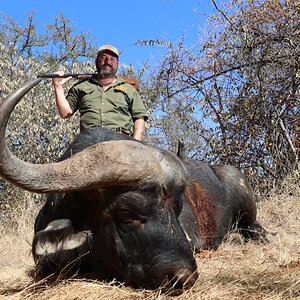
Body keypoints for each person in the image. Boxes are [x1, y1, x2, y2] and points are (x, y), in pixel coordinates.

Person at [52, 45, 149, 141]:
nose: (108, 62)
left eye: (112, 59)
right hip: (88, 140)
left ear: (117, 64)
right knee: (68, 156)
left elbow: (139, 117)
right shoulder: (80, 87)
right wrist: (58, 86)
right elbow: (65, 113)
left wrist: (136, 142)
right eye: (103, 58)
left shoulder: (129, 89)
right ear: (96, 61)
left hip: (120, 140)